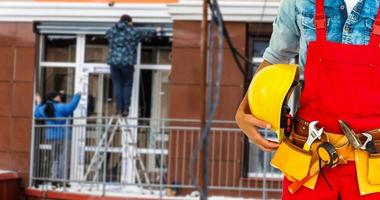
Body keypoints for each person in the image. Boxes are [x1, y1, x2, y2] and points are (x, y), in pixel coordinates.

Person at [236, 0, 380, 199]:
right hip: (309, 162)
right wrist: (244, 110)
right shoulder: (299, 2)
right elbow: (276, 57)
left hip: (374, 169)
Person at [106, 14, 162, 117]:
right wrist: (156, 31)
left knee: (117, 85)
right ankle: (126, 109)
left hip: (113, 62)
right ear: (130, 22)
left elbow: (107, 35)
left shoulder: (112, 30)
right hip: (127, 62)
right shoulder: (133, 32)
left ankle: (119, 109)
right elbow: (145, 36)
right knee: (127, 85)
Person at [34, 91, 81, 186]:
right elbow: (71, 107)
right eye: (58, 96)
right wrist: (77, 96)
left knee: (55, 159)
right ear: (54, 98)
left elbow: (36, 114)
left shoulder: (44, 108)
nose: (60, 98)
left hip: (51, 137)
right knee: (63, 159)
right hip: (63, 137)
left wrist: (39, 103)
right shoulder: (60, 107)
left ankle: (54, 179)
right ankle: (62, 180)